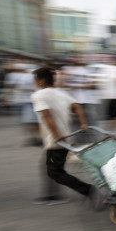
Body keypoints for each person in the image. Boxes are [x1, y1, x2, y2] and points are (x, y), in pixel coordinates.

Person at [31, 67, 101, 206]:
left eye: (36, 79)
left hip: (56, 141)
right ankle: (51, 195)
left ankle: (88, 190)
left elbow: (47, 116)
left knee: (55, 172)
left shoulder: (39, 95)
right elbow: (77, 107)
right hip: (66, 138)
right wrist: (83, 123)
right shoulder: (62, 93)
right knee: (49, 167)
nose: (34, 82)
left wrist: (56, 135)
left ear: (41, 81)